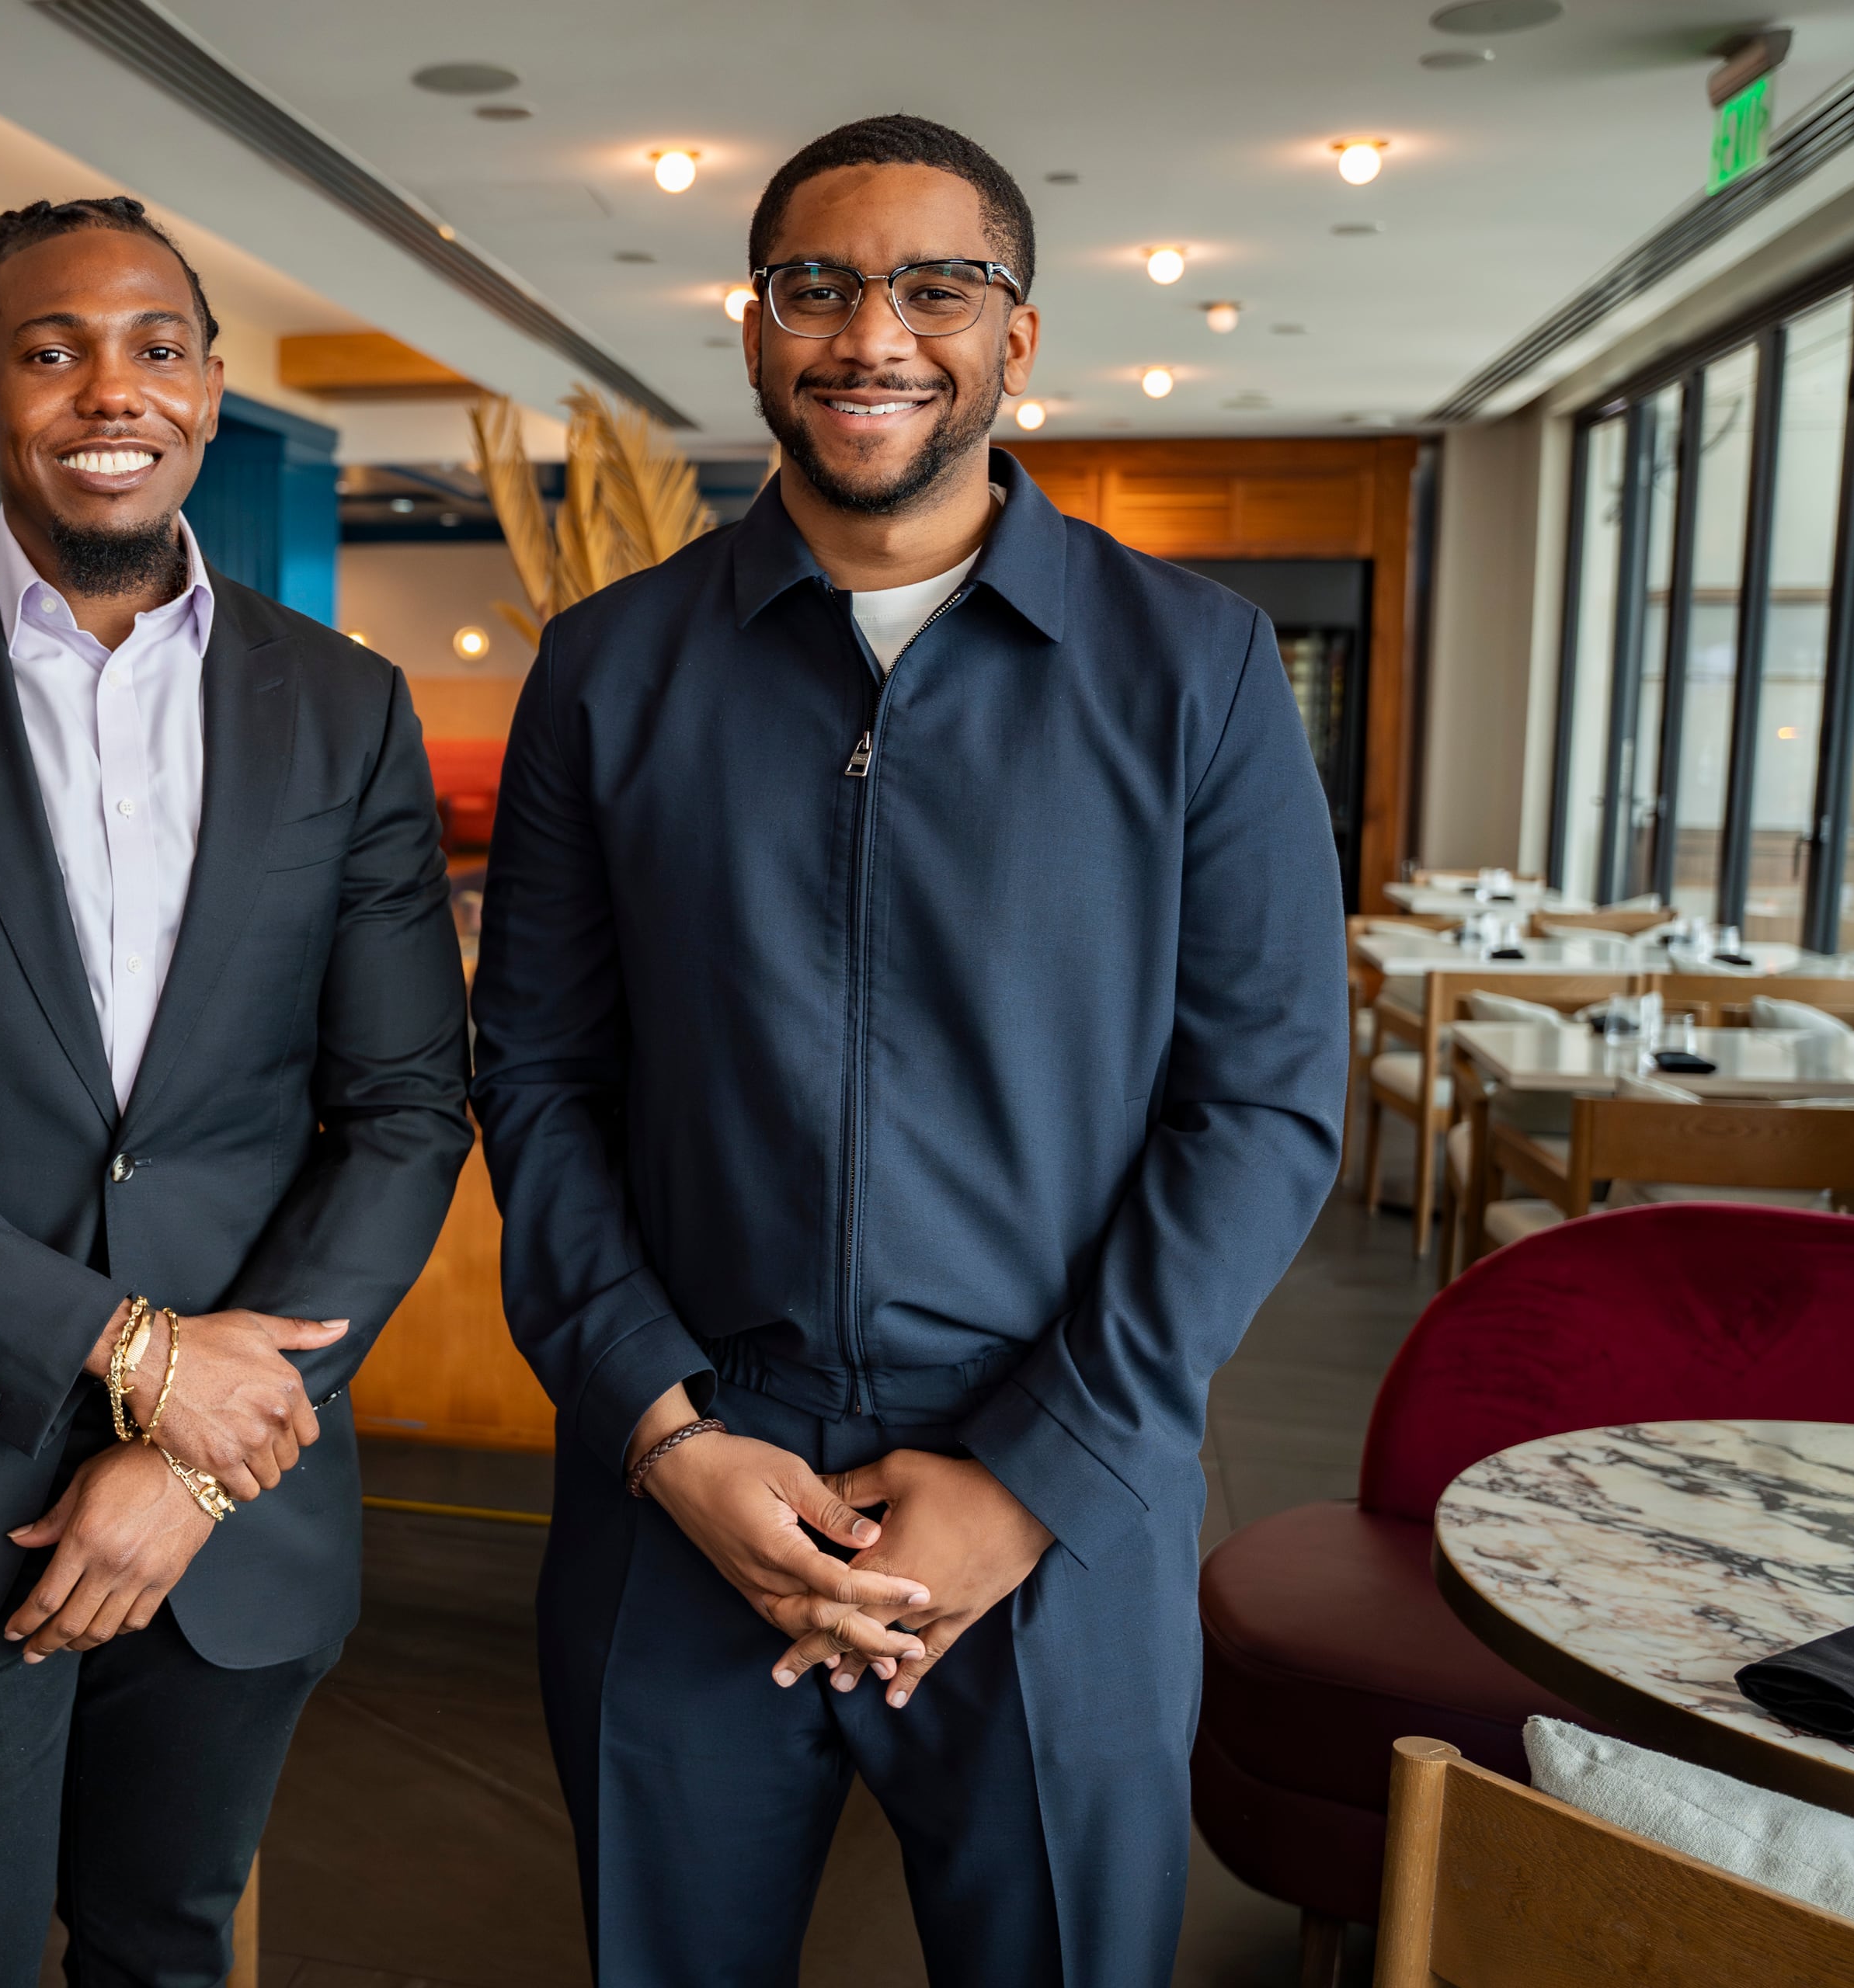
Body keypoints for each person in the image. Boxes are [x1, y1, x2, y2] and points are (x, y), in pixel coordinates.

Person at [471, 116, 1345, 1986]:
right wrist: (663, 1428)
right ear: (756, 328)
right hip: (691, 1480)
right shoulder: (609, 667)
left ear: (1016, 336)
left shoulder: (1190, 664)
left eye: (936, 285)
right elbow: (538, 1077)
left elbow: (1262, 1104)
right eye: (820, 285)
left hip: (1062, 1492)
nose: (875, 331)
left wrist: (1035, 1467)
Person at [0, 195, 471, 1986]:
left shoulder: (343, 706)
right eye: (50, 349)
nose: (110, 388)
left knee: (165, 1946)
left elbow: (410, 1107)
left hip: (240, 1503)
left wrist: (196, 1460)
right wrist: (134, 1359)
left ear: (206, 391)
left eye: (158, 345)